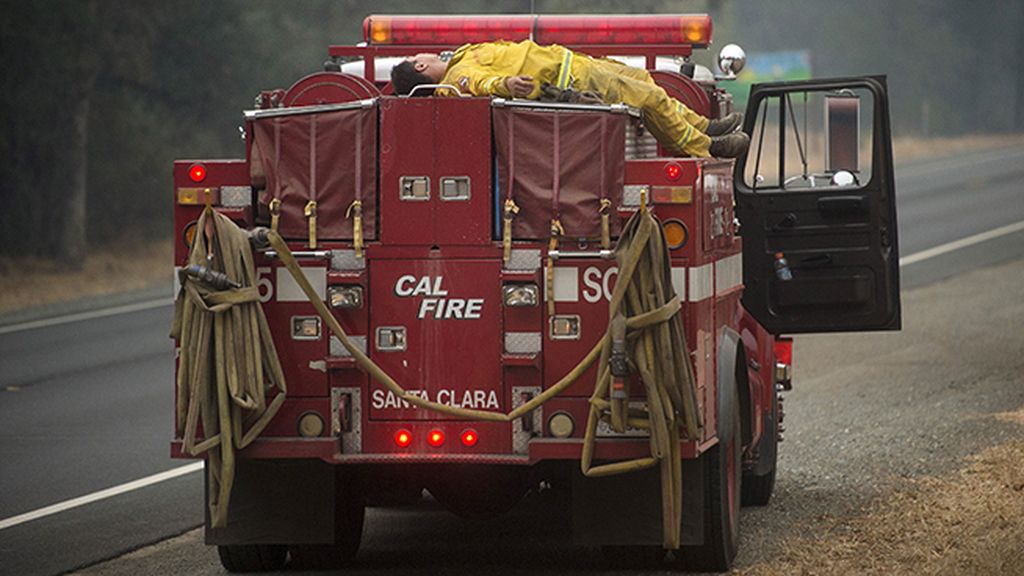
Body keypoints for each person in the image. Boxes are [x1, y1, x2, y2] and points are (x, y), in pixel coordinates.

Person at [390, 39, 750, 158]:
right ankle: (706, 147)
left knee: (643, 80)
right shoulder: (457, 77)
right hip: (573, 78)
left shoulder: (459, 58)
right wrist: (507, 84)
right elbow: (484, 84)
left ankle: (704, 124)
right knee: (649, 98)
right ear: (420, 65)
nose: (427, 55)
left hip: (575, 62)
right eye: (419, 58)